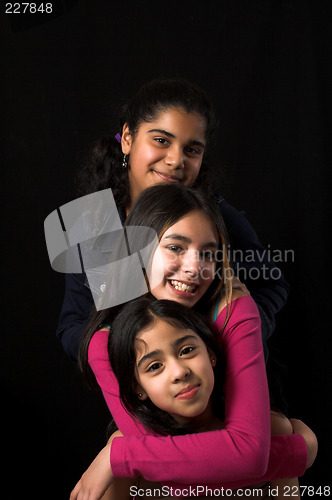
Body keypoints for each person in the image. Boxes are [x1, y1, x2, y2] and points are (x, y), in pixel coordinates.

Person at [70, 184, 316, 500]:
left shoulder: (233, 309)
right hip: (172, 453)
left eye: (209, 254)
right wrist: (296, 453)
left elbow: (249, 451)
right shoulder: (104, 342)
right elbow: (161, 468)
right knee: (120, 443)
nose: (194, 268)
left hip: (230, 431)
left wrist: (119, 456)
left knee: (277, 426)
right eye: (175, 247)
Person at [56, 77, 289, 361]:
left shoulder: (216, 217)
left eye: (192, 149)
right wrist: (128, 349)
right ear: (128, 138)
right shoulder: (92, 223)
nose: (176, 160)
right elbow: (72, 326)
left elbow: (272, 285)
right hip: (139, 394)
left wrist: (236, 330)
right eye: (161, 140)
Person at [96, 298, 303, 500]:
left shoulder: (274, 429)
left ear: (210, 353)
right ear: (138, 389)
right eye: (155, 366)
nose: (179, 372)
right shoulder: (123, 447)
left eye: (186, 351)